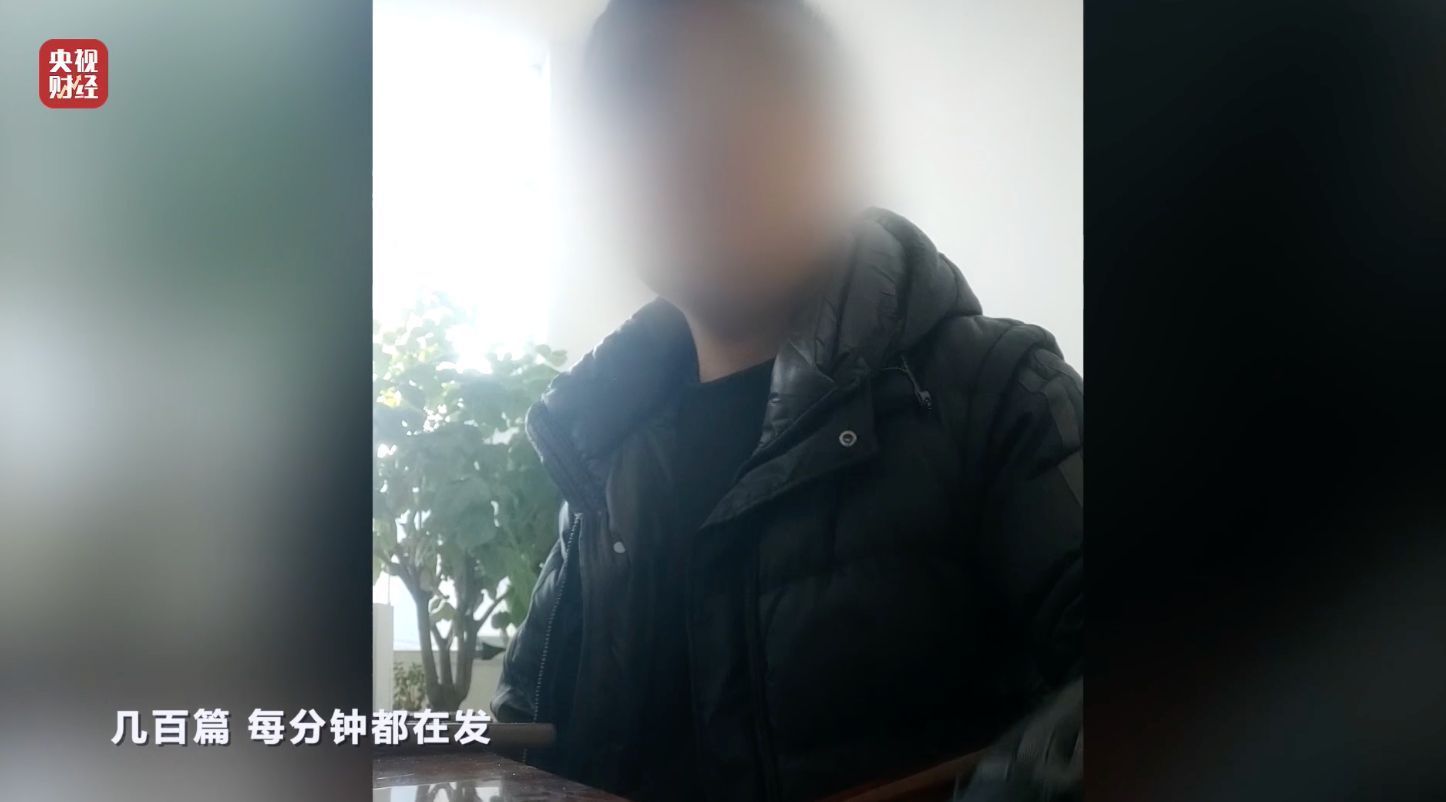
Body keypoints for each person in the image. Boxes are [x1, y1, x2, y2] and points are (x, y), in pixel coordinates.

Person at [493, 1, 1083, 800]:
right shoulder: (601, 465)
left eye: (746, 74)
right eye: (640, 89)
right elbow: (521, 746)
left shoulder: (996, 391)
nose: (693, 122)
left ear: (830, 135)